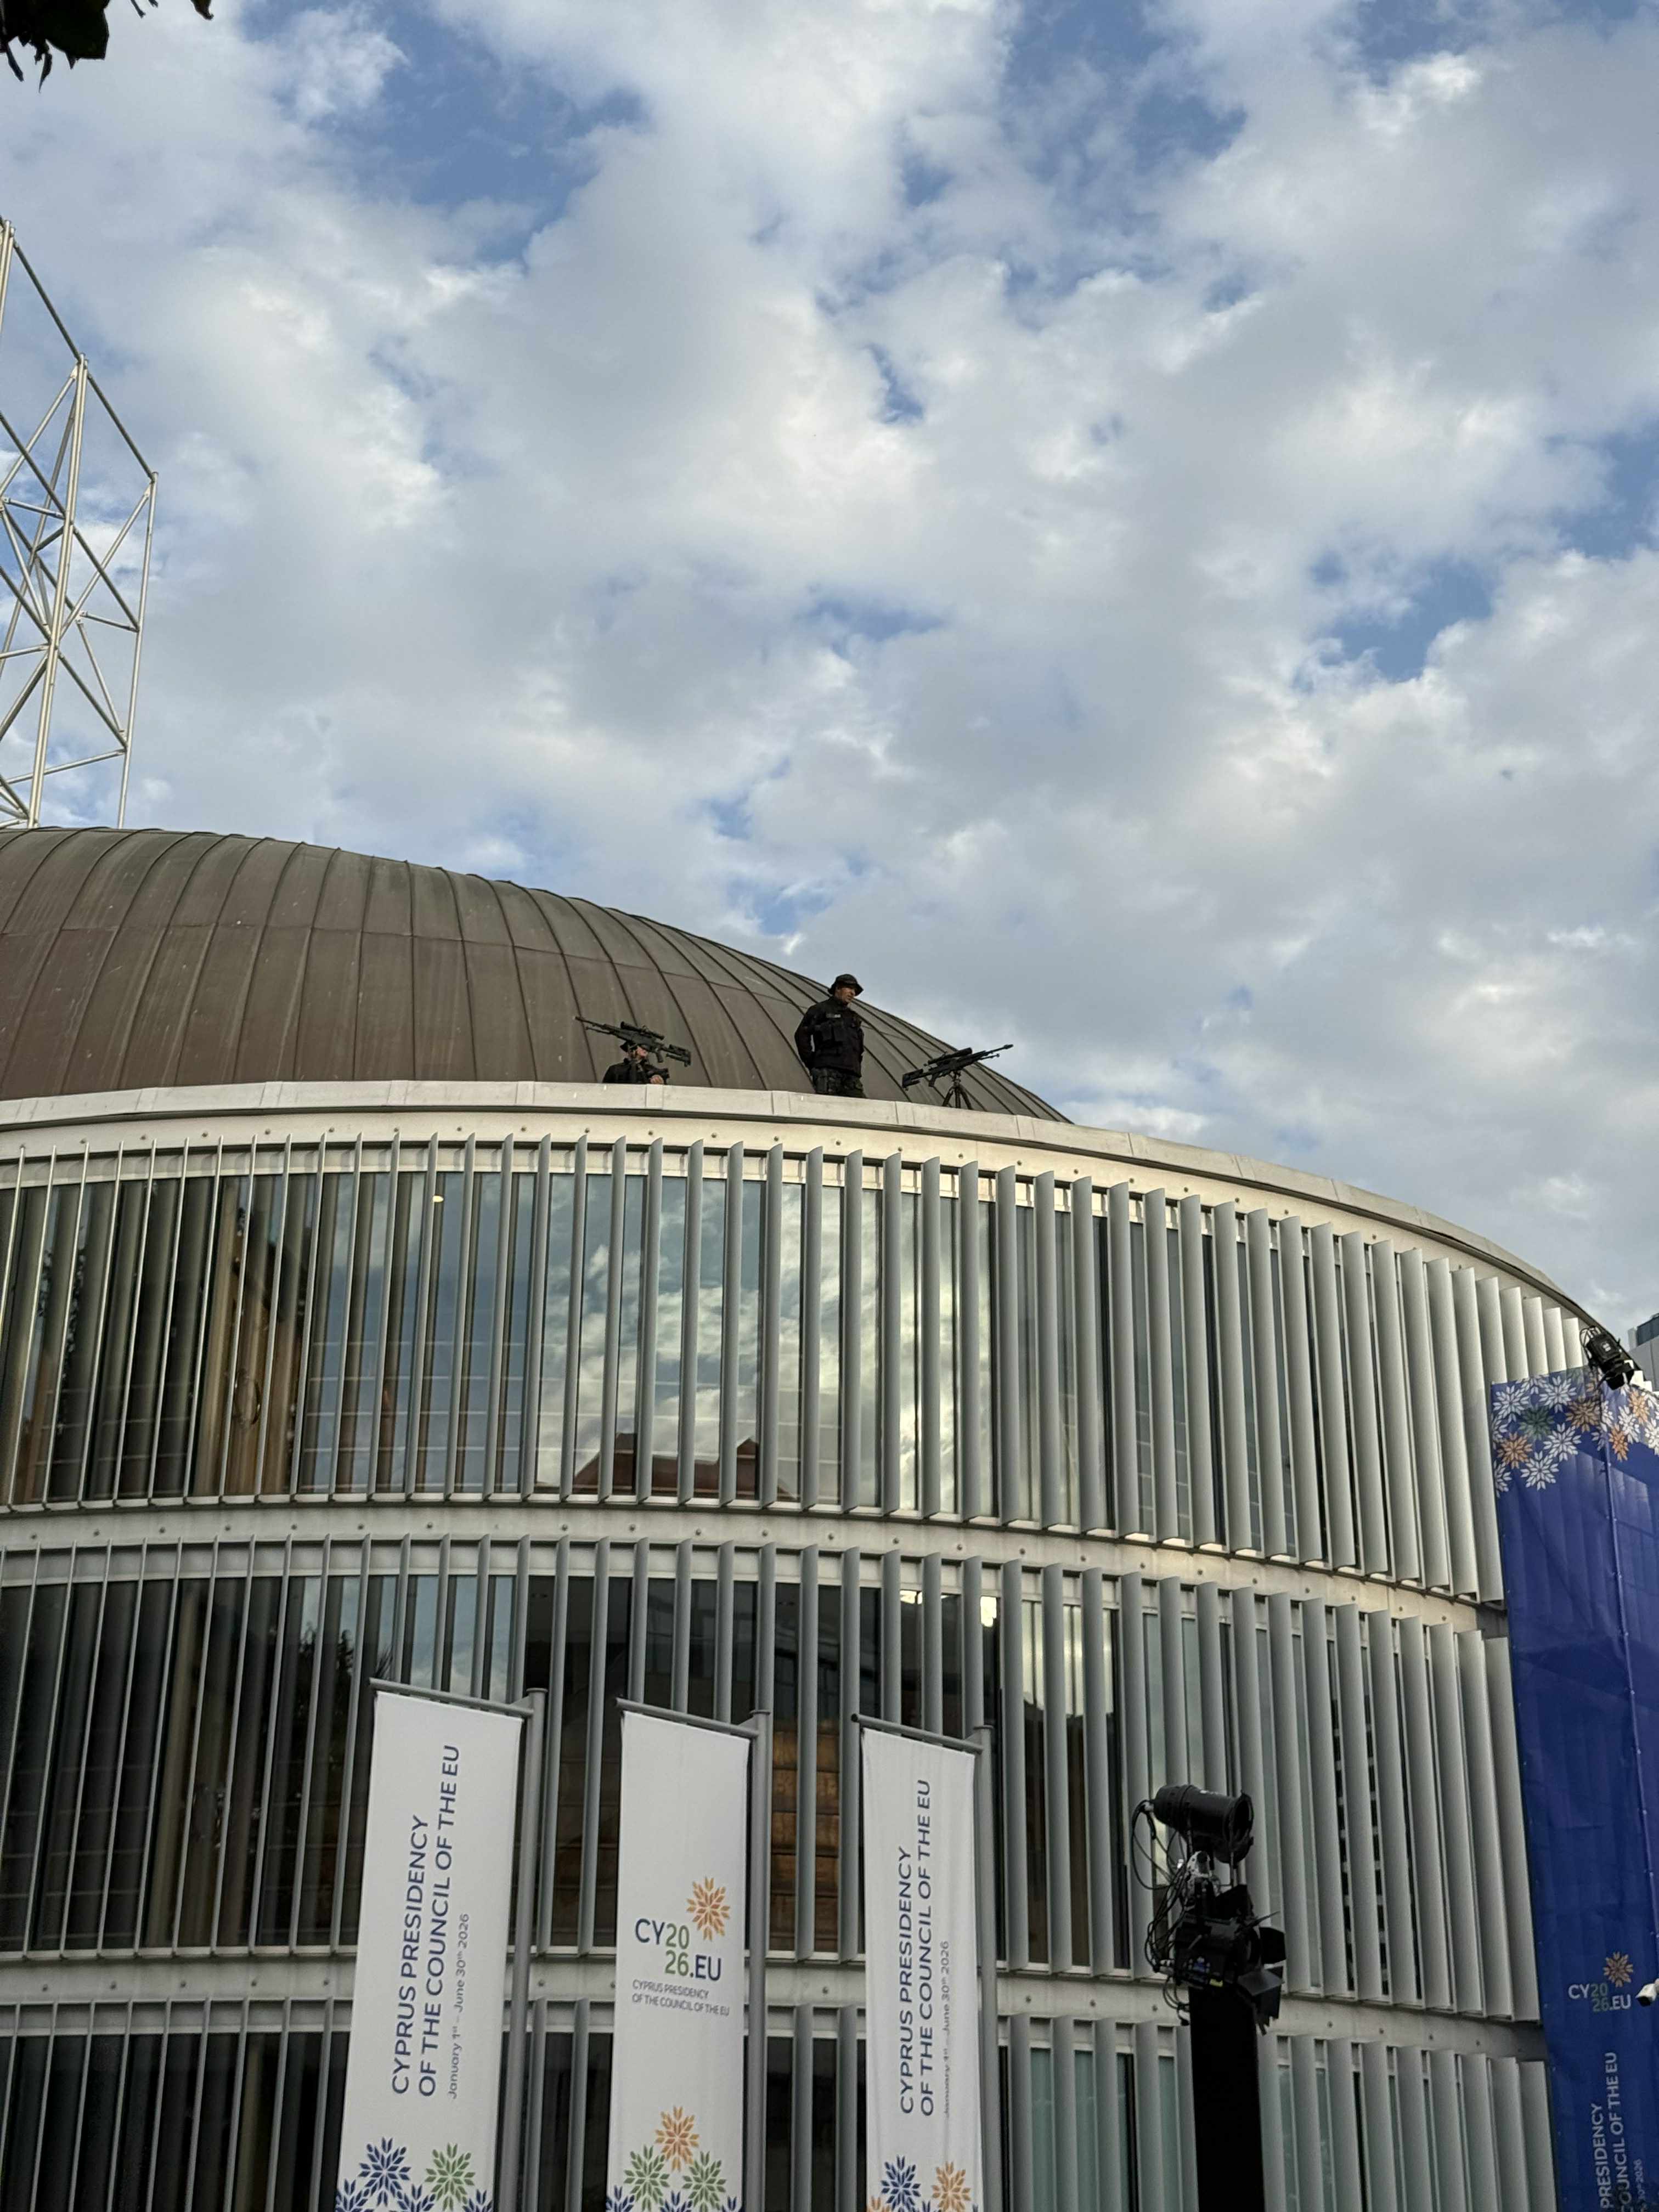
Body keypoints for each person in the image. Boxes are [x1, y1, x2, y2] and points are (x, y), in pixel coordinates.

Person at [794, 972, 866, 1097]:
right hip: (828, 1072)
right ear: (838, 988)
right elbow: (802, 1035)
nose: (853, 993)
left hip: (851, 1076)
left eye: (855, 990)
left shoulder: (853, 1017)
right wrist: (812, 1064)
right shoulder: (820, 1010)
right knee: (828, 1106)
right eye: (849, 988)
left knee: (859, 1107)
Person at [603, 1042, 669, 1085]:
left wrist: (660, 1084)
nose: (646, 1048)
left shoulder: (653, 1071)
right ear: (631, 1047)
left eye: (648, 1046)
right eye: (641, 1045)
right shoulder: (615, 1070)